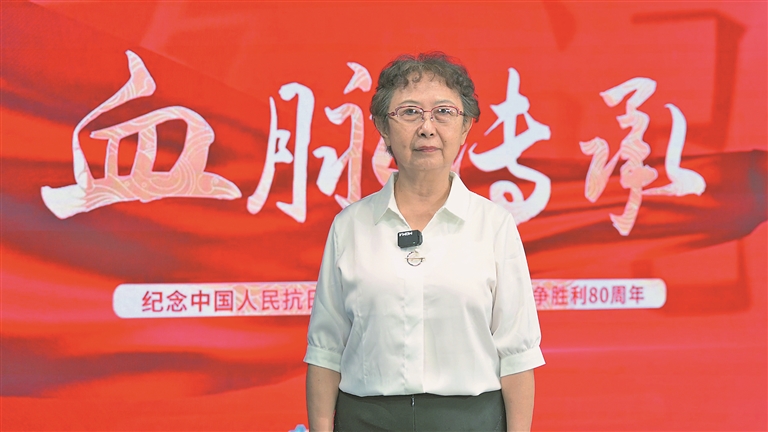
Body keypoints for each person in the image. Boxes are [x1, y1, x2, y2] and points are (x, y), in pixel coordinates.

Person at [304, 52, 544, 432]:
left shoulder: (494, 225)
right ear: (383, 127)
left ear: (465, 127)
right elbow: (325, 351)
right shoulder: (350, 227)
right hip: (366, 419)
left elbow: (517, 355)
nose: (427, 128)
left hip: (470, 421)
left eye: (444, 112)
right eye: (410, 112)